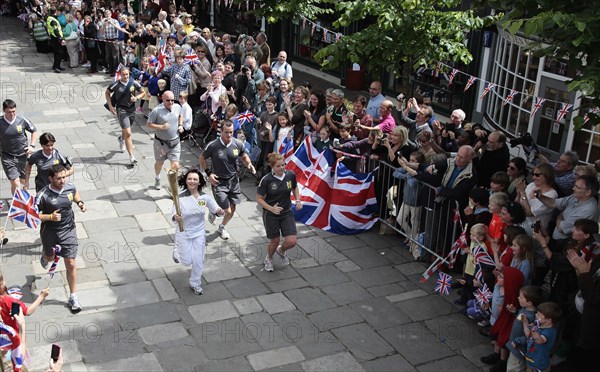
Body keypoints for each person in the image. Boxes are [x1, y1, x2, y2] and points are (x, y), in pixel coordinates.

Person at [36, 164, 86, 313]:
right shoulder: (43, 194)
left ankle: (73, 296)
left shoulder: (69, 187)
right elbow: (33, 215)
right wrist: (50, 217)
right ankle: (46, 257)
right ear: (50, 178)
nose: (62, 180)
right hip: (50, 231)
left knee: (70, 263)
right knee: (50, 258)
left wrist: (80, 203)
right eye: (58, 178)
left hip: (68, 230)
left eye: (64, 177)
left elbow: (75, 193)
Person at [199, 120, 256, 240]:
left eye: (231, 132)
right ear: (221, 131)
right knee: (227, 210)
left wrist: (249, 164)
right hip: (219, 181)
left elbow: (244, 156)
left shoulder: (238, 144)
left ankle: (222, 227)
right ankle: (214, 210)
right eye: (226, 132)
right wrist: (209, 174)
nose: (229, 135)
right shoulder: (213, 145)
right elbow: (202, 159)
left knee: (233, 208)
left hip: (233, 180)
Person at [171, 169, 224, 295]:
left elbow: (215, 208)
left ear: (199, 182)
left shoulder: (204, 197)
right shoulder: (180, 198)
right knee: (186, 261)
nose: (192, 181)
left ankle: (195, 283)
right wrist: (175, 217)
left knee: (198, 260)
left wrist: (219, 211)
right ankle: (176, 251)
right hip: (183, 232)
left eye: (195, 179)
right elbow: (173, 214)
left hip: (199, 233)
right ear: (186, 180)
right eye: (189, 179)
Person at [256, 153, 302, 272]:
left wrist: (297, 200)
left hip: (286, 212)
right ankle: (269, 259)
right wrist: (271, 208)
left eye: (283, 165)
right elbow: (259, 198)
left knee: (292, 241)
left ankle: (281, 251)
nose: (282, 168)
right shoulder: (266, 180)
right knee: (274, 241)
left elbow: (295, 187)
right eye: (278, 166)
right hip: (271, 215)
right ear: (272, 167)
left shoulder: (290, 175)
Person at [105, 67, 145, 165]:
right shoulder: (115, 84)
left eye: (127, 74)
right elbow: (107, 92)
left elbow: (143, 92)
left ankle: (121, 139)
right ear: (120, 74)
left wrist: (136, 98)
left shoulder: (134, 83)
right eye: (123, 74)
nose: (126, 76)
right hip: (121, 109)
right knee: (128, 133)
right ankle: (132, 157)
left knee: (126, 130)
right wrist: (110, 106)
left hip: (131, 109)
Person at [0, 99, 38, 196]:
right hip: (7, 156)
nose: (12, 114)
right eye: (9, 112)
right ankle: (17, 202)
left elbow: (34, 131)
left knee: (23, 181)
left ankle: (21, 194)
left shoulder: (22, 120)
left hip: (23, 155)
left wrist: (32, 146)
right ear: (4, 110)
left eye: (13, 111)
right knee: (15, 182)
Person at [147, 91, 183, 190]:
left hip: (175, 142)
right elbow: (148, 124)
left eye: (172, 100)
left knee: (175, 165)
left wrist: (180, 125)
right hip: (161, 143)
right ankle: (157, 177)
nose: (171, 102)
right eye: (168, 100)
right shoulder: (156, 110)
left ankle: (172, 187)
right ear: (162, 99)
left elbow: (180, 115)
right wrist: (161, 127)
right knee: (160, 163)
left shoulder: (177, 107)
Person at [506, 286, 545, 372]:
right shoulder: (525, 309)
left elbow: (530, 336)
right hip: (515, 346)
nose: (518, 298)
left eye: (521, 297)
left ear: (529, 303)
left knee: (514, 368)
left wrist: (517, 341)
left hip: (519, 349)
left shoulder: (531, 317)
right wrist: (515, 311)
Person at [519, 302, 562, 372]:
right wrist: (525, 322)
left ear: (548, 320)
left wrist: (534, 330)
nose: (535, 315)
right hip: (531, 360)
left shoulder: (550, 332)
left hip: (539, 366)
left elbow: (540, 340)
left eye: (538, 314)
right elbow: (528, 335)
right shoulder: (538, 325)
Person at [46, 7, 66, 73]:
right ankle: (57, 67)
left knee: (56, 53)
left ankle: (55, 66)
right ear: (55, 11)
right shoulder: (53, 20)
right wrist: (61, 39)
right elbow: (56, 30)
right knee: (59, 53)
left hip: (52, 37)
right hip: (56, 38)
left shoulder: (49, 18)